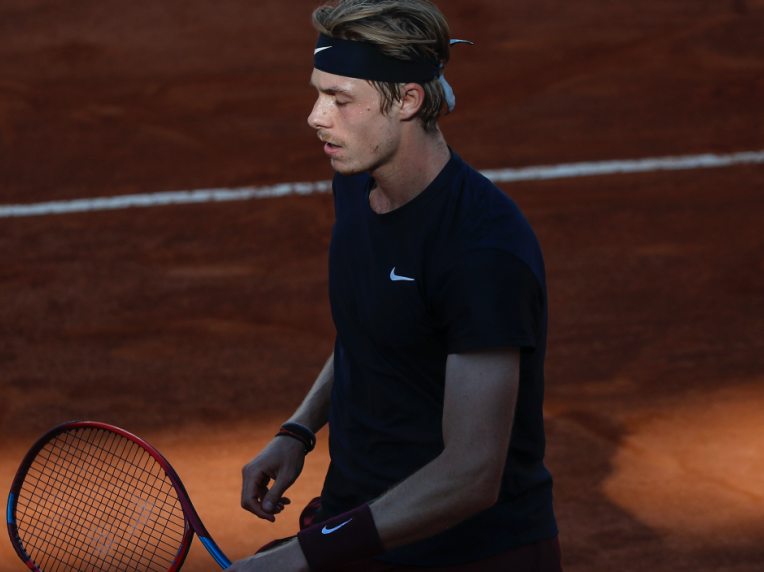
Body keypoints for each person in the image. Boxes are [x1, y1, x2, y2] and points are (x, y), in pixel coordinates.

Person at [225, 1, 562, 571]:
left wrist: (303, 555)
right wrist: (298, 430)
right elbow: (374, 329)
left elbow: (471, 475)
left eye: (340, 99)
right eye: (318, 93)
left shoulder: (481, 254)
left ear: (407, 100)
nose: (316, 116)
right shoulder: (358, 184)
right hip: (361, 526)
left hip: (464, 554)